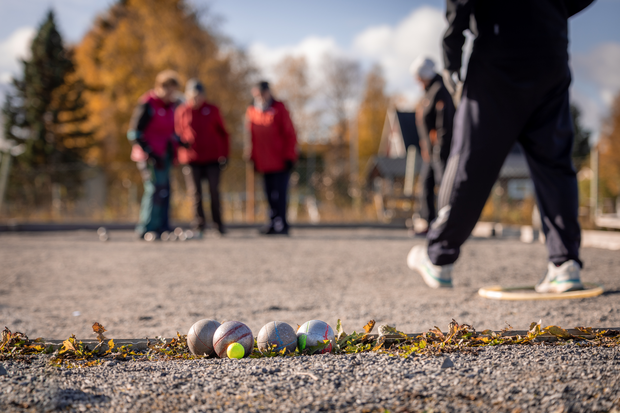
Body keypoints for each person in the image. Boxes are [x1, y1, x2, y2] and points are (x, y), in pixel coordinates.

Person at [407, 0, 594, 293]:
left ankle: (439, 257)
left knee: (472, 162)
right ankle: (565, 263)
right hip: (551, 47)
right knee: (555, 163)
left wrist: (452, 55)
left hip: (499, 49)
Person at [127, 70, 181, 240]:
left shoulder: (171, 106)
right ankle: (146, 227)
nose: (171, 95)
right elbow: (134, 133)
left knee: (166, 190)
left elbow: (171, 132)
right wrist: (149, 152)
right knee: (154, 189)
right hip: (149, 156)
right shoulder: (147, 104)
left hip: (165, 155)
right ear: (161, 87)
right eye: (169, 90)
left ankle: (163, 227)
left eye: (174, 91)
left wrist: (180, 143)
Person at [175, 79, 230, 236]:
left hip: (212, 158)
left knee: (214, 190)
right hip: (191, 159)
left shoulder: (212, 109)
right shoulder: (182, 111)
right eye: (192, 96)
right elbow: (177, 132)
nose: (196, 99)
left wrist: (225, 154)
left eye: (199, 96)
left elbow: (223, 133)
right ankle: (199, 224)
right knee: (195, 193)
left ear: (204, 96)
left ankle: (218, 224)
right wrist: (181, 146)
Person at [245, 81, 298, 235]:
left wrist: (290, 155)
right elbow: (251, 136)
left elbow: (290, 133)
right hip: (263, 161)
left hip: (280, 160)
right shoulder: (252, 110)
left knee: (280, 194)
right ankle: (273, 222)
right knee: (268, 194)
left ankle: (282, 223)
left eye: (263, 93)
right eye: (258, 93)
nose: (261, 96)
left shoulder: (279, 108)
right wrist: (252, 157)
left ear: (268, 92)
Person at [410, 56, 455, 235]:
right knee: (426, 186)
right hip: (430, 151)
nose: (417, 81)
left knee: (443, 186)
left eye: (419, 77)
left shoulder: (440, 90)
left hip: (439, 150)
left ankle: (448, 224)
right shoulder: (429, 91)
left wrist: (439, 147)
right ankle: (429, 223)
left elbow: (443, 122)